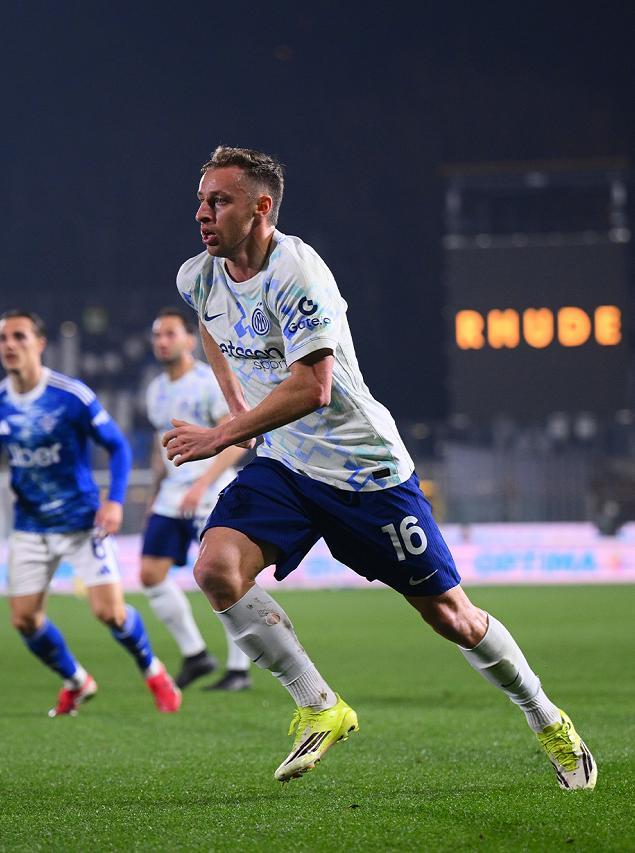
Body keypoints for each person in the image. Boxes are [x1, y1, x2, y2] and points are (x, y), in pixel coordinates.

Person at [163, 146, 596, 789]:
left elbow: (313, 387)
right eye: (201, 200)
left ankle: (547, 717)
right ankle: (320, 705)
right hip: (286, 464)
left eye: (218, 201)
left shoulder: (298, 273)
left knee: (452, 617)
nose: (202, 213)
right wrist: (239, 408)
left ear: (261, 208)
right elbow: (211, 327)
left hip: (363, 472)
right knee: (216, 571)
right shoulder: (198, 276)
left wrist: (224, 433)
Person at [0, 310, 181, 716]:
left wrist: (114, 501)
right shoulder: (2, 402)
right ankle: (77, 682)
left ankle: (153, 671)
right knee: (25, 620)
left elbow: (117, 445)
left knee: (110, 613)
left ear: (39, 343)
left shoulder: (70, 395)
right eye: (3, 338)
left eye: (19, 336)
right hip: (30, 526)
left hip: (82, 522)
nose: (9, 345)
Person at [141, 307, 251, 690]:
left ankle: (238, 670)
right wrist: (155, 494)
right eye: (157, 334)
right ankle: (196, 655)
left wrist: (202, 484)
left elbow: (237, 440)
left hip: (211, 491)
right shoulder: (154, 390)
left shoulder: (209, 383)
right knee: (150, 574)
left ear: (190, 340)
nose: (162, 341)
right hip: (172, 495)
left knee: (225, 577)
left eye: (170, 333)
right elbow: (160, 448)